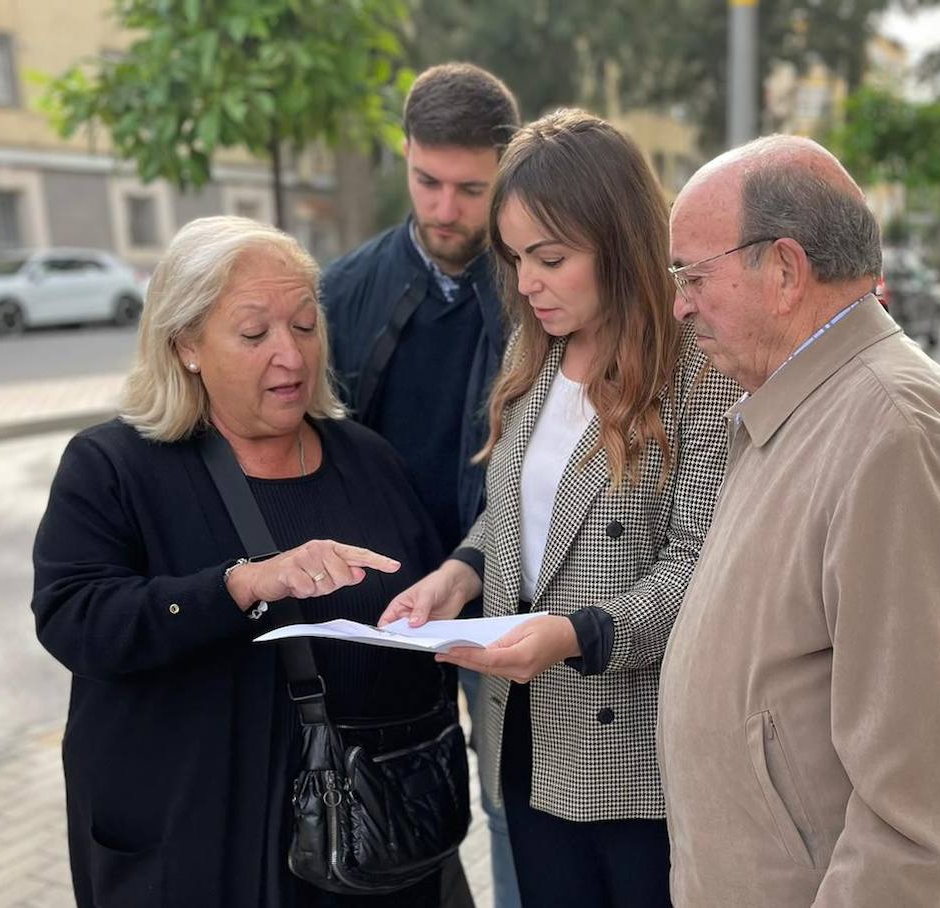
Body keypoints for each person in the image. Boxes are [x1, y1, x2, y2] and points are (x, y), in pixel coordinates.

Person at [31, 216, 455, 908]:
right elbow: (74, 620)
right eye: (255, 334)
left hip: (365, 844)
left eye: (305, 326)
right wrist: (238, 586)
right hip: (197, 845)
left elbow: (426, 596)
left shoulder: (367, 459)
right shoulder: (113, 467)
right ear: (186, 345)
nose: (291, 357)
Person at [379, 109, 742, 908]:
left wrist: (578, 635)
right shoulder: (532, 347)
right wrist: (457, 577)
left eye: (550, 258)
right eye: (512, 259)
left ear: (621, 242)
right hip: (523, 732)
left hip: (636, 755)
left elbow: (702, 565)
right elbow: (514, 513)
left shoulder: (699, 373)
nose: (526, 283)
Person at [657, 136, 940, 906]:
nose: (680, 303)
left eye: (692, 274)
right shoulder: (803, 402)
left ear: (784, 270)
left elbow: (928, 825)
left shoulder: (896, 437)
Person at [321, 62, 520, 908]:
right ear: (403, 154)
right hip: (386, 610)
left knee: (513, 804)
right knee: (378, 799)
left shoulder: (538, 288)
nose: (444, 209)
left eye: (470, 189)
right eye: (427, 180)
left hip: (512, 592)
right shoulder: (341, 292)